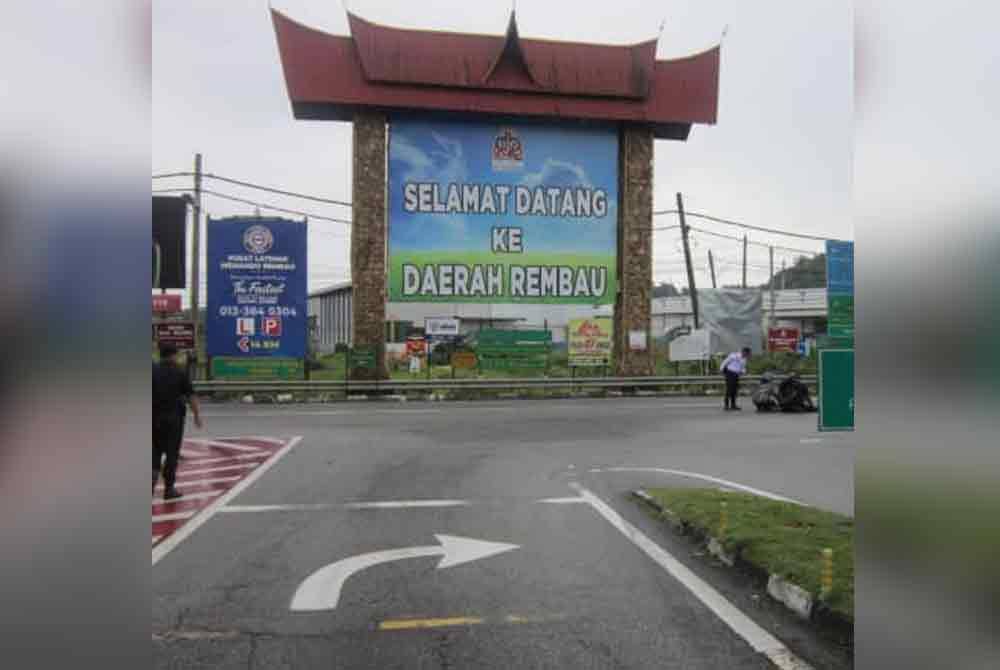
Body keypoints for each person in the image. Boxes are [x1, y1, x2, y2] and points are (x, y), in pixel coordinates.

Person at [153, 344, 202, 499]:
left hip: (153, 418)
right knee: (172, 453)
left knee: (154, 452)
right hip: (174, 419)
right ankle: (169, 489)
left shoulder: (152, 371)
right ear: (173, 355)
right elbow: (191, 396)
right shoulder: (180, 372)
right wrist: (196, 415)